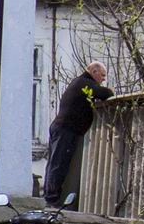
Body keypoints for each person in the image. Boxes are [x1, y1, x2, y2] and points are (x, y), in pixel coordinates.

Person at [41, 60, 110, 208]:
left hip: (62, 128)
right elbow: (105, 93)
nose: (103, 79)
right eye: (102, 75)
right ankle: (51, 200)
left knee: (55, 163)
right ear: (94, 72)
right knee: (58, 164)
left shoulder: (79, 82)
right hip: (66, 129)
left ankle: (50, 197)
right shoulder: (84, 83)